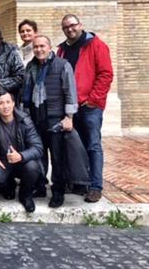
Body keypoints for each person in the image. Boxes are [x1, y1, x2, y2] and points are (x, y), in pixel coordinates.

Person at [57, 14, 113, 203]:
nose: (70, 29)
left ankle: (96, 186)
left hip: (89, 107)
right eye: (66, 27)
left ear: (80, 25)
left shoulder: (96, 45)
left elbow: (105, 74)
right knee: (75, 145)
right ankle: (80, 182)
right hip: (71, 108)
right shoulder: (62, 50)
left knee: (93, 145)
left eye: (72, 25)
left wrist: (93, 100)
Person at [22, 35, 79, 207]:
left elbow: (70, 91)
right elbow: (26, 91)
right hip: (35, 117)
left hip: (55, 118)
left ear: (49, 47)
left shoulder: (62, 65)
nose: (39, 50)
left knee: (57, 157)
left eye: (42, 46)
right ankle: (40, 186)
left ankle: (58, 191)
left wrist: (69, 117)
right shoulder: (31, 66)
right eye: (36, 47)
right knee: (39, 155)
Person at [0, 91, 43, 212]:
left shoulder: (25, 121)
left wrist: (21, 156)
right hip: (3, 160)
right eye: (1, 103)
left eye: (8, 102)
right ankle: (9, 185)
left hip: (23, 161)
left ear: (13, 103)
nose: (5, 106)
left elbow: (38, 148)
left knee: (33, 167)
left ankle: (25, 194)